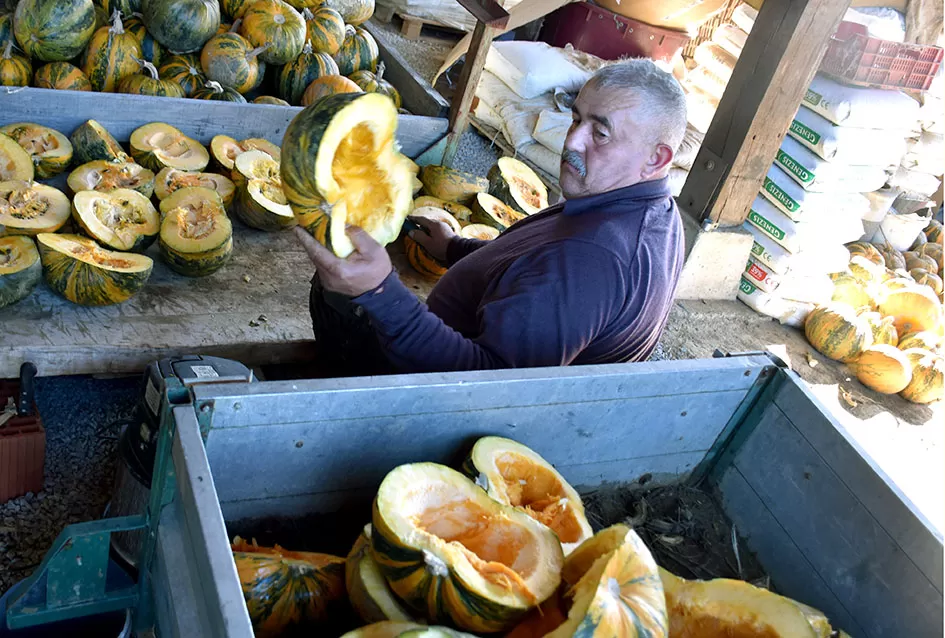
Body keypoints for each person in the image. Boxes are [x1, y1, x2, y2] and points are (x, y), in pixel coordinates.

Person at [297, 58, 687, 376]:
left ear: (657, 158)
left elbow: (485, 384)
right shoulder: (643, 205)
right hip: (447, 346)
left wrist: (381, 294)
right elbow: (529, 268)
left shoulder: (588, 262)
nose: (573, 141)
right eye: (575, 118)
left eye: (600, 133)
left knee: (336, 288)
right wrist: (455, 248)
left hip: (424, 392)